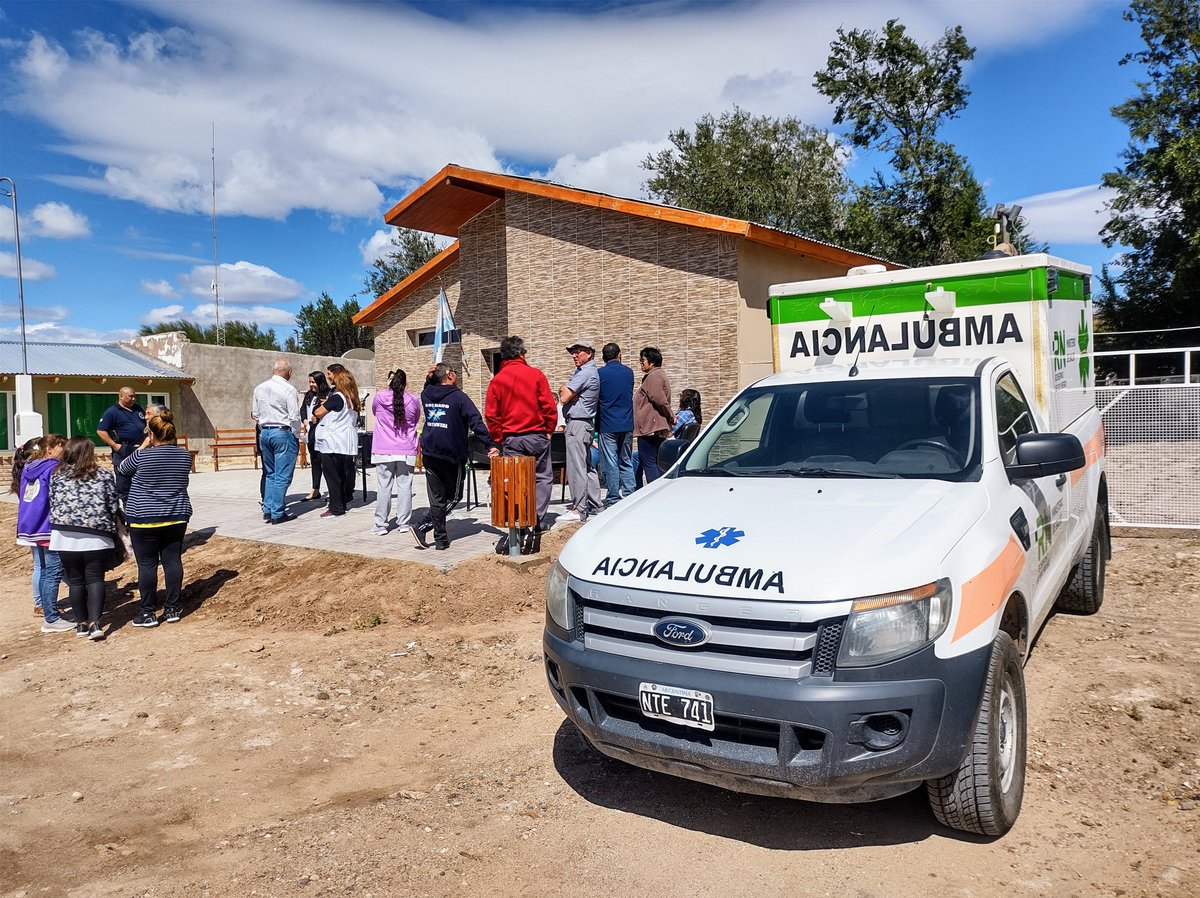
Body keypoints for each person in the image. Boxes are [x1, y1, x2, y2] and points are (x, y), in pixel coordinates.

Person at [119, 409, 193, 627]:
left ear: (151, 434)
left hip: (143, 517)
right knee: (172, 561)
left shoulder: (141, 456)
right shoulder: (184, 455)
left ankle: (148, 612)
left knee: (147, 565)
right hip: (176, 515)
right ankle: (172, 608)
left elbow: (123, 468)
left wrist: (143, 445)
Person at [50, 436, 121, 641]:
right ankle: (95, 623)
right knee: (95, 579)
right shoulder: (104, 475)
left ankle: (81, 624)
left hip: (64, 534)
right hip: (97, 535)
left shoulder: (57, 476)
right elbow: (113, 504)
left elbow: (52, 501)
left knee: (75, 581)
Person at [484, 335, 558, 527]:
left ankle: (522, 517)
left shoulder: (497, 381)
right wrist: (549, 429)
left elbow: (491, 414)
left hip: (512, 438)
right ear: (520, 353)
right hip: (537, 435)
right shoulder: (536, 375)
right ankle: (537, 518)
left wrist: (499, 437)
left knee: (517, 479)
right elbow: (549, 406)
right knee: (542, 476)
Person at [419, 363, 495, 550]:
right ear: (450, 375)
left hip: (429, 452)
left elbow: (427, 387)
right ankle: (424, 525)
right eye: (455, 373)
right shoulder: (459, 397)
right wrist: (490, 444)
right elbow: (476, 421)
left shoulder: (426, 395)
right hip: (451, 455)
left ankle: (440, 540)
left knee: (437, 498)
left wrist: (429, 378)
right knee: (454, 497)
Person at [14, 434, 72, 632]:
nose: (65, 451)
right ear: (50, 449)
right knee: (52, 572)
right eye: (62, 446)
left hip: (31, 526)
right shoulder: (53, 468)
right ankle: (51, 617)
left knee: (43, 568)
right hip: (47, 525)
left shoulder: (29, 468)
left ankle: (43, 606)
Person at [370, 369, 420, 538]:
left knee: (384, 487)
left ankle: (380, 524)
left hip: (383, 449)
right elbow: (416, 419)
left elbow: (374, 412)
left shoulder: (379, 397)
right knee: (405, 487)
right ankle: (404, 523)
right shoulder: (413, 400)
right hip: (406, 449)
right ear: (405, 383)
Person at [251, 359, 301, 524]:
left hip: (264, 431)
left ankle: (268, 508)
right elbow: (294, 416)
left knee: (270, 473)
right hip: (282, 431)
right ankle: (278, 513)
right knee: (282, 475)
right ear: (289, 372)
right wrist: (296, 434)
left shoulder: (259, 388)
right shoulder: (289, 389)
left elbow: (255, 414)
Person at [558, 339, 602, 523]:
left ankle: (578, 510)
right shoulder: (586, 372)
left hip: (577, 423)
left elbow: (563, 397)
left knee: (576, 466)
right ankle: (595, 505)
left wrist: (565, 389)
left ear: (589, 353)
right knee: (587, 466)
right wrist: (567, 391)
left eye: (578, 351)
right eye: (572, 352)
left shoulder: (585, 373)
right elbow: (566, 395)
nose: (574, 355)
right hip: (584, 424)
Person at [312, 368, 361, 517]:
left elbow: (318, 412)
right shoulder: (352, 398)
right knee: (341, 475)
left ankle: (336, 508)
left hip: (332, 442)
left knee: (332, 477)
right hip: (344, 441)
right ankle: (342, 503)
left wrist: (323, 405)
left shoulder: (337, 397)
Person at [596, 342, 636, 507]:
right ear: (619, 355)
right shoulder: (629, 372)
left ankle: (613, 497)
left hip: (607, 424)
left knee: (611, 462)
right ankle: (630, 494)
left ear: (603, 357)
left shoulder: (600, 374)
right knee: (625, 460)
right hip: (626, 423)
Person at [96, 386, 146, 501]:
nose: (134, 399)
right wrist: (115, 446)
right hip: (123, 451)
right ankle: (127, 507)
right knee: (124, 486)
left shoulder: (138, 409)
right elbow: (101, 431)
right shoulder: (112, 412)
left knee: (141, 484)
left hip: (140, 450)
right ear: (121, 397)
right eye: (131, 396)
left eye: (135, 396)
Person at [633, 346, 674, 484]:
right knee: (655, 462)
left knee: (649, 462)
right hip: (654, 427)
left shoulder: (654, 376)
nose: (641, 363)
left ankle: (656, 490)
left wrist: (670, 416)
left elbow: (659, 399)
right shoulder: (657, 375)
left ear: (652, 362)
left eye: (643, 360)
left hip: (651, 428)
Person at [300, 371, 331, 502]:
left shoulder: (328, 394)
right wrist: (305, 420)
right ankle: (315, 489)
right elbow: (303, 409)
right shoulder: (309, 395)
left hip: (322, 431)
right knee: (315, 461)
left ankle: (333, 491)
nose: (311, 384)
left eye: (314, 382)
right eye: (310, 382)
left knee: (327, 463)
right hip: (311, 431)